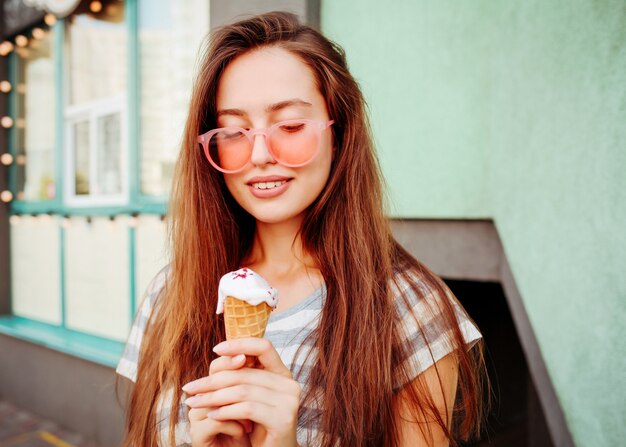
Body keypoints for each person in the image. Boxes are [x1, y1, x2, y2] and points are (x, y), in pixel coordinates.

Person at [117, 11, 486, 447]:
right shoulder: (170, 295)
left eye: (289, 126)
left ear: (340, 132)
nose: (258, 154)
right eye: (233, 132)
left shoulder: (410, 310)